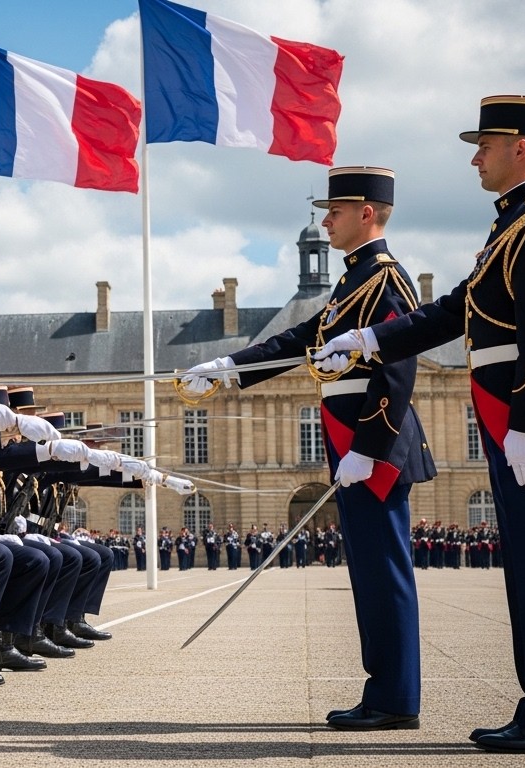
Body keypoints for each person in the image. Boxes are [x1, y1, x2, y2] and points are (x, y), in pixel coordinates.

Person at [315, 96, 525, 754]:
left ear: (520, 148)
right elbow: (451, 314)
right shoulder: (508, 230)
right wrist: (367, 341)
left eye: (486, 145)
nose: (476, 157)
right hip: (513, 421)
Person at [183, 165, 435, 731]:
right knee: (370, 572)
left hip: (374, 447)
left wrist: (369, 446)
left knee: (384, 571)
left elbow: (397, 369)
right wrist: (230, 367)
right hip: (354, 444)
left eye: (335, 211)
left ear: (366, 213)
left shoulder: (387, 279)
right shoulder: (354, 282)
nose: (326, 220)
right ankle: (387, 692)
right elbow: (302, 339)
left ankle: (394, 698)